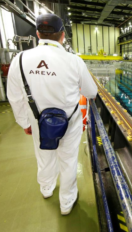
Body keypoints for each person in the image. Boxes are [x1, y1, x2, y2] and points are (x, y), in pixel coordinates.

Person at [7, 13, 97, 215]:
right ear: (62, 36)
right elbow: (91, 92)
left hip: (37, 121)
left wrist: (24, 122)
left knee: (44, 155)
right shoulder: (74, 61)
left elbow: (14, 97)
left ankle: (46, 189)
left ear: (38, 34)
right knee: (68, 159)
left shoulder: (19, 59)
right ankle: (67, 202)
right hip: (70, 122)